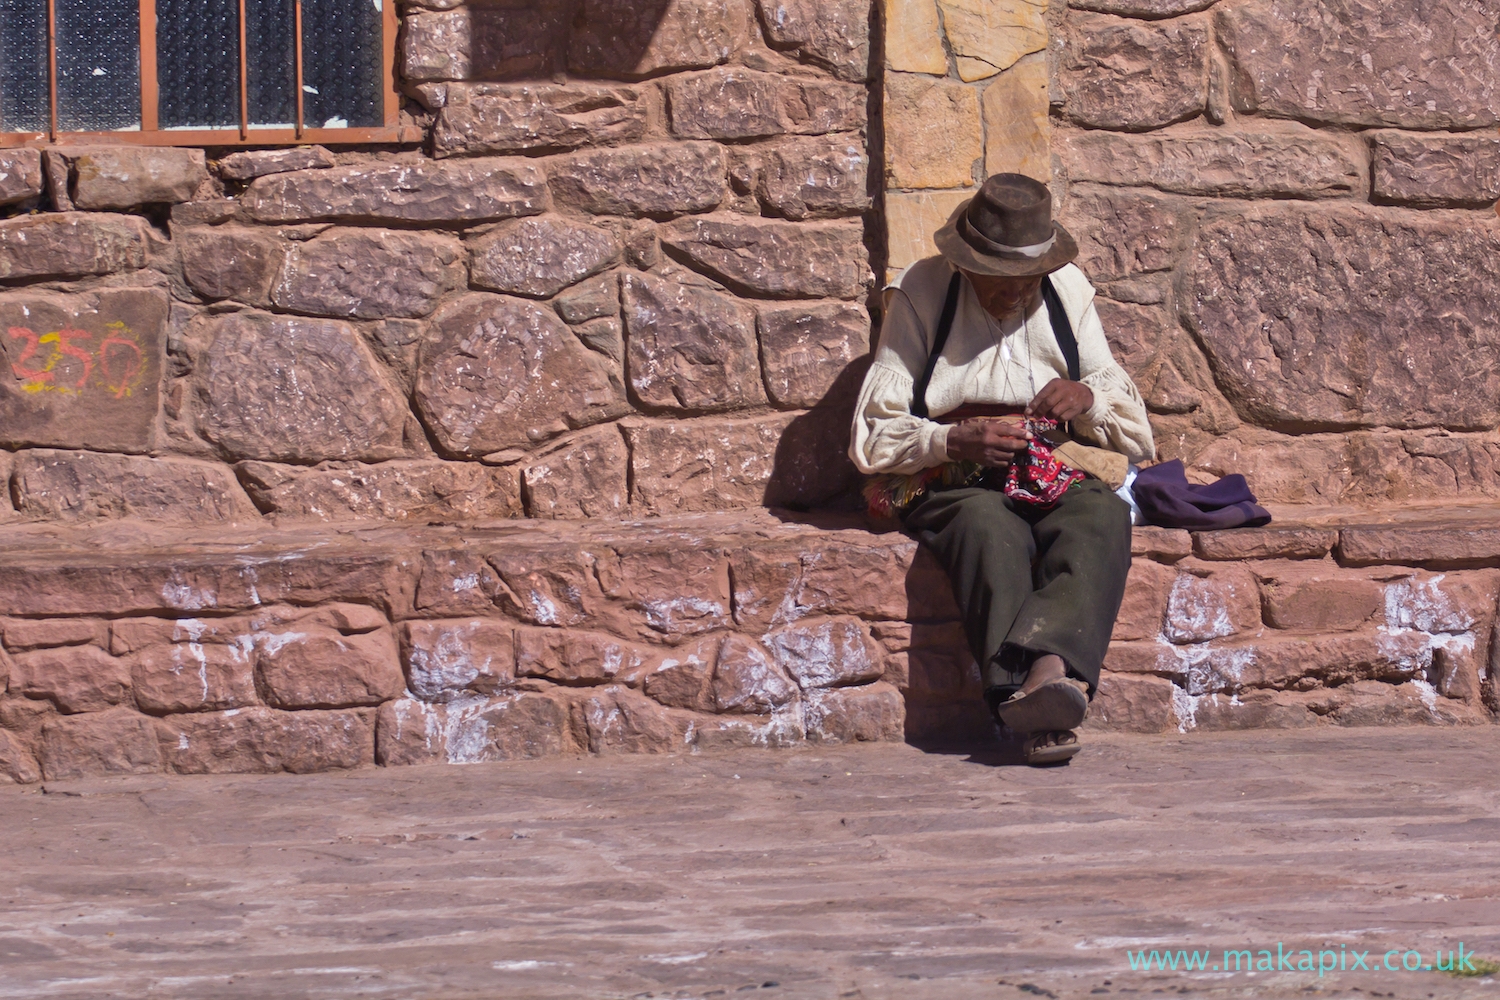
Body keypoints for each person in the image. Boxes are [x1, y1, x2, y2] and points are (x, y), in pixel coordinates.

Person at [849, 173, 1154, 765]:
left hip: (1052, 462)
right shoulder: (924, 291)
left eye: (1027, 281)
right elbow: (870, 435)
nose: (1017, 294)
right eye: (1001, 281)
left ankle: (1044, 679)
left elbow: (1133, 425)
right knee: (989, 528)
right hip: (954, 473)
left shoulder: (1066, 289)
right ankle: (1036, 694)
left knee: (1099, 513)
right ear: (966, 264)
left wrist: (1087, 401)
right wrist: (950, 440)